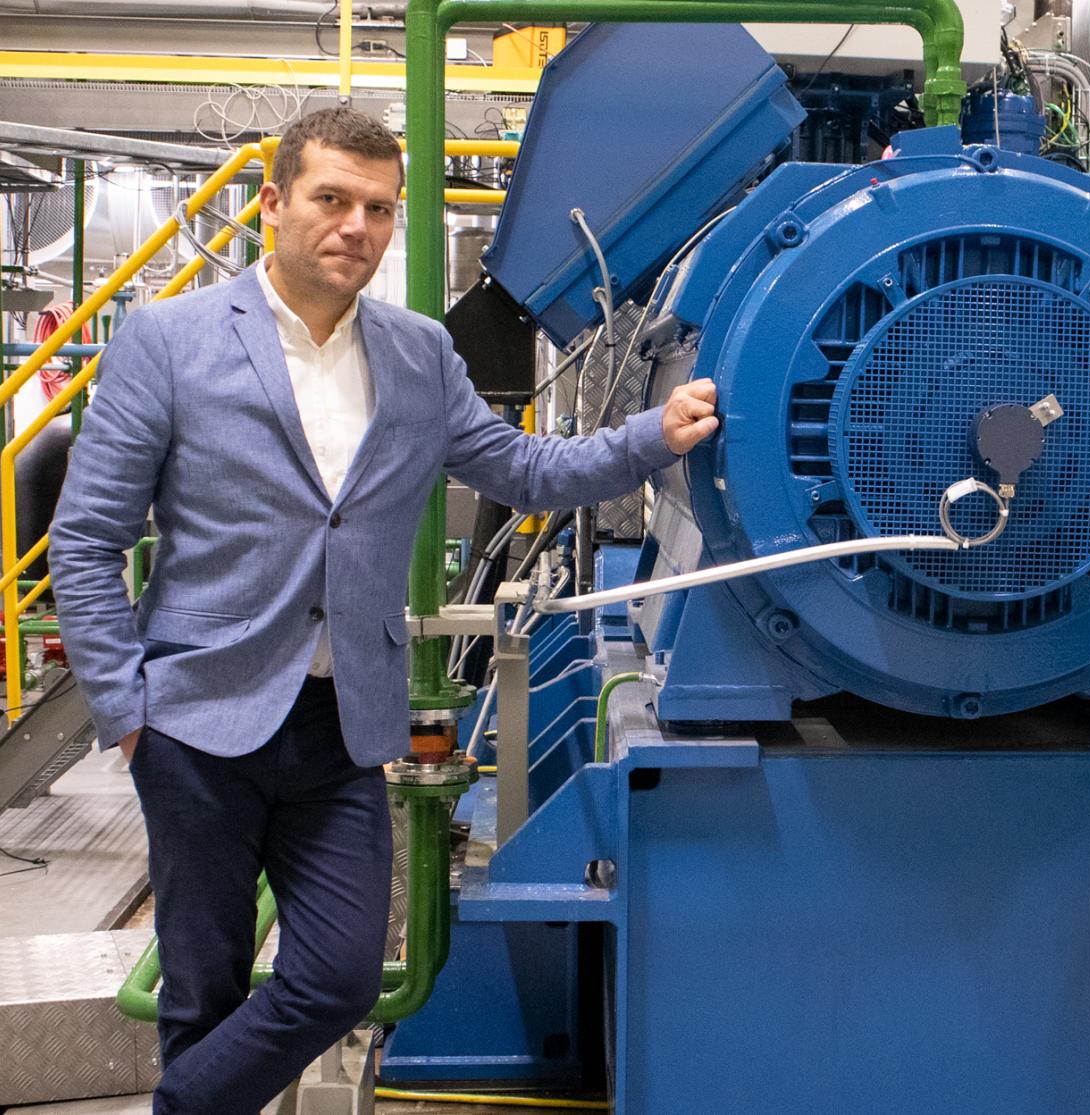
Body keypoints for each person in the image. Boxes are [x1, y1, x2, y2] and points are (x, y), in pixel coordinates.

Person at [48, 107, 718, 1115]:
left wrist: (648, 436)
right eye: (330, 199)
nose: (355, 225)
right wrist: (127, 713)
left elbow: (525, 470)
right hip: (195, 720)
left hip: (342, 724)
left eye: (377, 208)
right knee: (203, 985)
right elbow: (88, 538)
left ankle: (183, 1107)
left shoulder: (416, 353)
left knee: (342, 973)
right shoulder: (169, 339)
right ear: (272, 204)